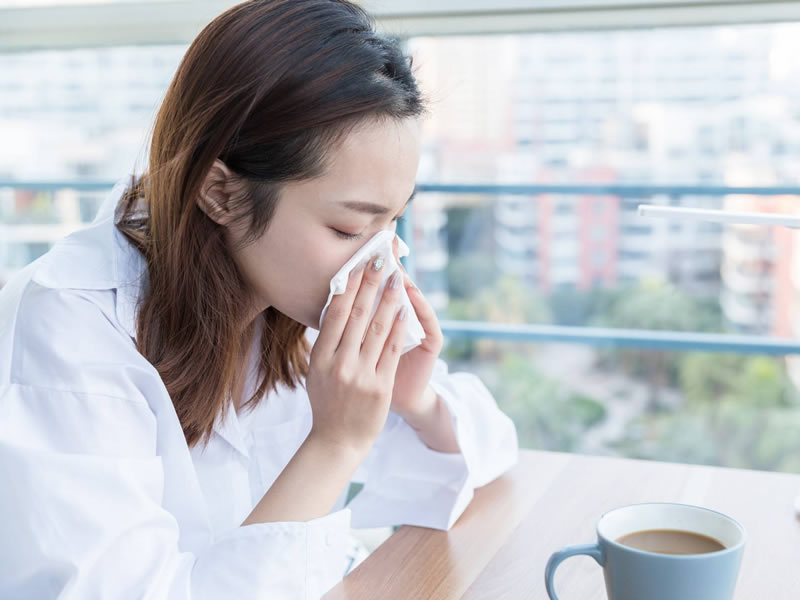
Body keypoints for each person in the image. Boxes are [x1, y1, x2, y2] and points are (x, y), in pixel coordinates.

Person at [0, 1, 518, 598]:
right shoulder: (68, 329)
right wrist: (335, 443)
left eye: (394, 223)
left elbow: (491, 449)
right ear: (219, 192)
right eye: (350, 229)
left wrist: (415, 400)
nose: (381, 262)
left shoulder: (286, 293)